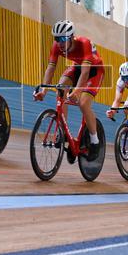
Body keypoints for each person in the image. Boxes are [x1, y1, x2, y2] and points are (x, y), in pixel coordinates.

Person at [34, 20, 104, 161]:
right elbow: (51, 68)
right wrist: (43, 90)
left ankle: (95, 141)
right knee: (60, 88)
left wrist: (77, 91)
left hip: (94, 71)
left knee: (83, 104)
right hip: (77, 67)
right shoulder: (57, 46)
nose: (59, 42)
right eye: (56, 39)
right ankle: (63, 131)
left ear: (72, 37)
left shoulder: (84, 44)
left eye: (63, 39)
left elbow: (85, 73)